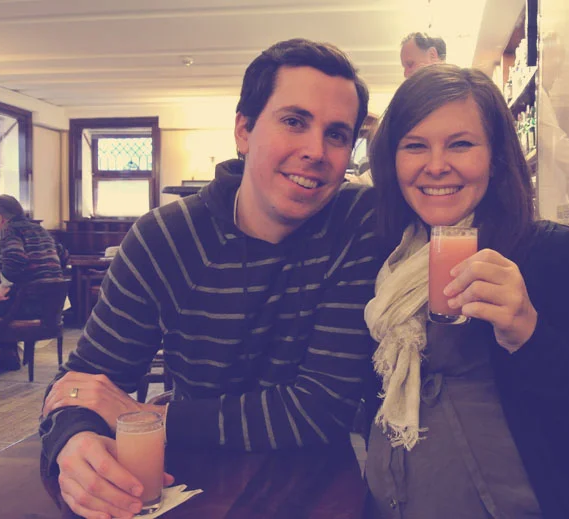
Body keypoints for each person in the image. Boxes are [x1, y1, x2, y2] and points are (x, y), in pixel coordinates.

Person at [39, 38, 380, 519]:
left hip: (318, 487)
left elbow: (320, 410)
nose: (315, 151)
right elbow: (82, 383)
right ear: (244, 130)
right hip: (189, 480)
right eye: (294, 121)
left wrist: (152, 417)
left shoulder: (357, 223)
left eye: (337, 134)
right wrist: (72, 441)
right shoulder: (164, 238)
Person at [363, 64, 569, 519]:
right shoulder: (388, 260)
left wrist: (529, 336)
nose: (436, 165)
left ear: (496, 156)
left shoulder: (553, 255)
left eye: (461, 144)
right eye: (414, 145)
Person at [0, 195, 66, 377]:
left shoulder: (10, 231)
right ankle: (8, 354)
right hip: (50, 308)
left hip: (26, 306)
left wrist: (4, 285)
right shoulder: (41, 230)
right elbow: (63, 256)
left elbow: (15, 259)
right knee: (7, 296)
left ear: (0, 218)